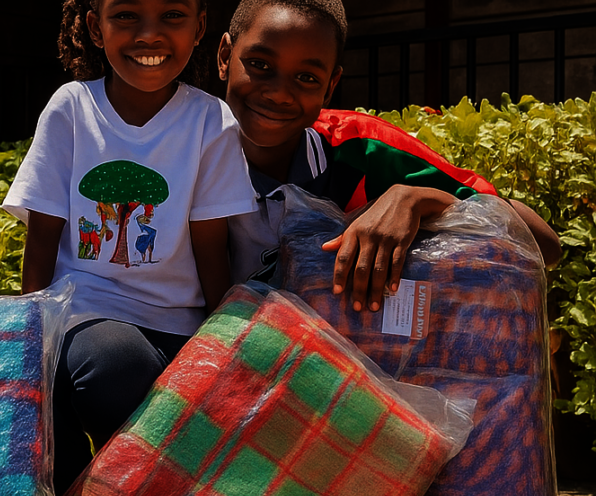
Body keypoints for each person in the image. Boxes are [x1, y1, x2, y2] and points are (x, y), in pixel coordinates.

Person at [2, 0, 256, 494]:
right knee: (114, 368)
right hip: (85, 319)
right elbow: (43, 235)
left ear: (200, 27)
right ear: (95, 28)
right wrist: (27, 339)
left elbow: (211, 249)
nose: (149, 34)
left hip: (177, 327)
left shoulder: (210, 120)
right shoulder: (72, 108)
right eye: (126, 16)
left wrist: (222, 348)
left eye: (172, 16)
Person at [217, 0, 561, 312]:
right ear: (224, 56)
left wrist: (417, 200)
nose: (279, 93)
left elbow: (542, 244)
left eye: (306, 77)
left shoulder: (365, 150)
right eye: (260, 64)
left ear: (331, 86)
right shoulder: (193, 150)